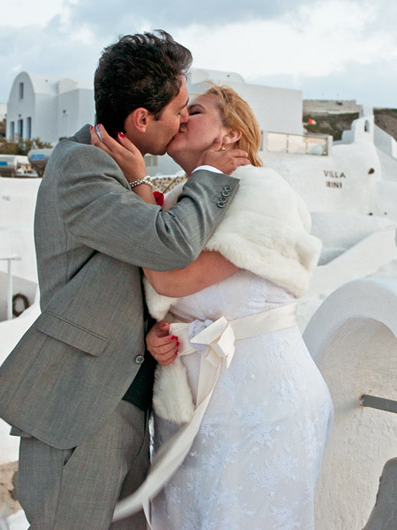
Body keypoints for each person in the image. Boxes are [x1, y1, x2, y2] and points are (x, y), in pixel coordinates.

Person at [0, 31, 248, 529]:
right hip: (80, 410)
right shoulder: (82, 166)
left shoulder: (116, 165)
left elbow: (120, 273)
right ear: (141, 119)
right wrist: (209, 174)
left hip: (120, 399)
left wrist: (146, 330)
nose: (185, 119)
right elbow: (169, 245)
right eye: (179, 109)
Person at [92, 85, 333, 529]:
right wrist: (159, 334)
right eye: (180, 110)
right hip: (197, 414)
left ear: (232, 135)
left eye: (195, 111)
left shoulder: (261, 191)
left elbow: (170, 275)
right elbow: (171, 298)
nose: (180, 118)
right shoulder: (191, 197)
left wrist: (139, 184)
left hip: (260, 406)